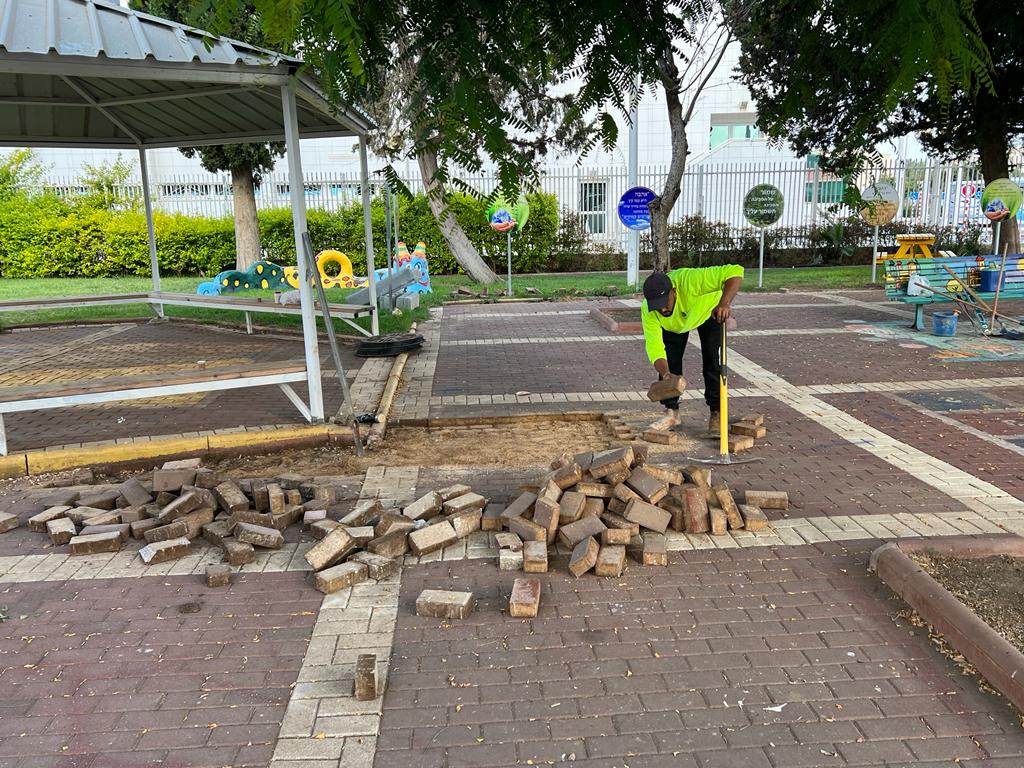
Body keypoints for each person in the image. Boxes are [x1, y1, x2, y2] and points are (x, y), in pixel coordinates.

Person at [641, 265, 744, 434]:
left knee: (711, 361)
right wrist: (666, 374)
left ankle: (716, 413)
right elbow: (655, 348)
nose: (662, 309)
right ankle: (671, 413)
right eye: (657, 306)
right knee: (670, 361)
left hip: (708, 312)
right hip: (676, 325)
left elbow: (735, 271)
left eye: (664, 303)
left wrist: (724, 303)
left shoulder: (689, 280)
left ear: (673, 291)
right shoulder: (649, 310)